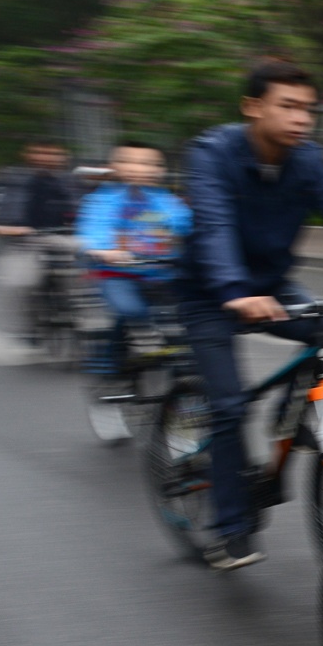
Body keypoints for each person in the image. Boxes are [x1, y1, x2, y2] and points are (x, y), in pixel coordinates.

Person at [176, 60, 323, 570]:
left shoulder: (308, 161)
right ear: (253, 107)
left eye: (307, 109)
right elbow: (214, 226)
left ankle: (287, 422)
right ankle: (230, 529)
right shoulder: (211, 155)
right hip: (209, 292)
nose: (301, 118)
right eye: (288, 106)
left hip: (271, 286)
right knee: (226, 407)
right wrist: (232, 290)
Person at [76, 140, 192, 438]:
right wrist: (104, 250)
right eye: (133, 162)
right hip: (117, 274)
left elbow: (189, 226)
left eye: (150, 164)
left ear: (161, 170)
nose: (142, 169)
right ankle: (108, 380)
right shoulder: (102, 200)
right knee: (129, 311)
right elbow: (94, 231)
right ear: (116, 167)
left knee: (189, 330)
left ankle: (184, 403)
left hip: (161, 274)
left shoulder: (167, 201)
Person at [0, 142, 80, 343]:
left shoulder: (68, 180)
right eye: (40, 152)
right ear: (28, 154)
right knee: (19, 284)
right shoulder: (16, 178)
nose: (46, 157)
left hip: (58, 236)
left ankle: (74, 313)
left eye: (54, 153)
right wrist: (8, 226)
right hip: (21, 239)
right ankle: (28, 324)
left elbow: (79, 207)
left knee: (83, 260)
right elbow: (7, 206)